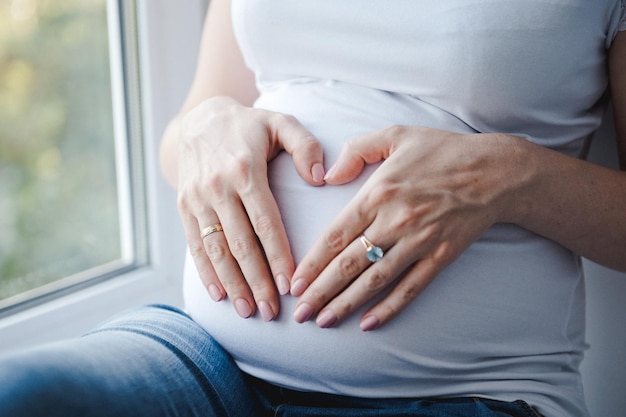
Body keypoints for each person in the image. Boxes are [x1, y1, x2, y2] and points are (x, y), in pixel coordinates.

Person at [1, 1, 625, 416]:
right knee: (20, 396)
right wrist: (203, 131)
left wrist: (510, 173)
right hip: (211, 361)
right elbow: (192, 124)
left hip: (465, 391)